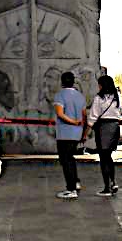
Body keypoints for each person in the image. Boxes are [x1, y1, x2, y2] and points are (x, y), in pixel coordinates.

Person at [87, 74, 122, 196]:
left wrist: (85, 133)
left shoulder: (99, 98)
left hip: (103, 128)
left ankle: (107, 188)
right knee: (108, 156)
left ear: (102, 85)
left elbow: (93, 116)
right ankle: (113, 182)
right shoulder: (118, 96)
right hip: (115, 127)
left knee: (103, 158)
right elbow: (121, 110)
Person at [52, 71, 87, 199]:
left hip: (64, 133)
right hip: (77, 133)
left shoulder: (59, 95)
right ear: (73, 82)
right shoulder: (80, 96)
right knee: (70, 158)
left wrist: (73, 122)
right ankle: (76, 182)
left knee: (65, 160)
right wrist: (83, 132)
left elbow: (60, 114)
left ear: (62, 82)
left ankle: (71, 189)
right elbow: (84, 116)